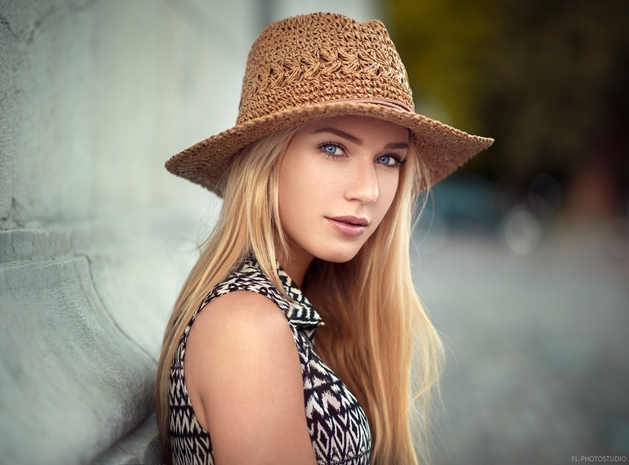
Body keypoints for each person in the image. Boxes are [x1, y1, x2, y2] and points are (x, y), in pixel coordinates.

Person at [155, 12, 493, 465]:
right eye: (334, 148)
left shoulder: (297, 305)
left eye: (389, 160)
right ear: (266, 160)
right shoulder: (246, 326)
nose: (369, 190)